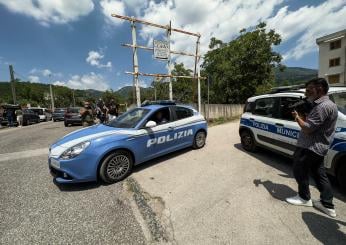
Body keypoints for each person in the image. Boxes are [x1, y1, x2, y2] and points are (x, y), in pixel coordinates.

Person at [286, 78, 338, 218]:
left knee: (300, 171)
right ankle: (327, 205)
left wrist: (297, 117)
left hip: (309, 147)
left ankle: (304, 198)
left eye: (309, 90)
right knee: (319, 174)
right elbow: (313, 123)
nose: (306, 93)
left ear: (319, 89)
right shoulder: (329, 104)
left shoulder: (322, 107)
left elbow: (308, 128)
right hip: (319, 147)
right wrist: (304, 114)